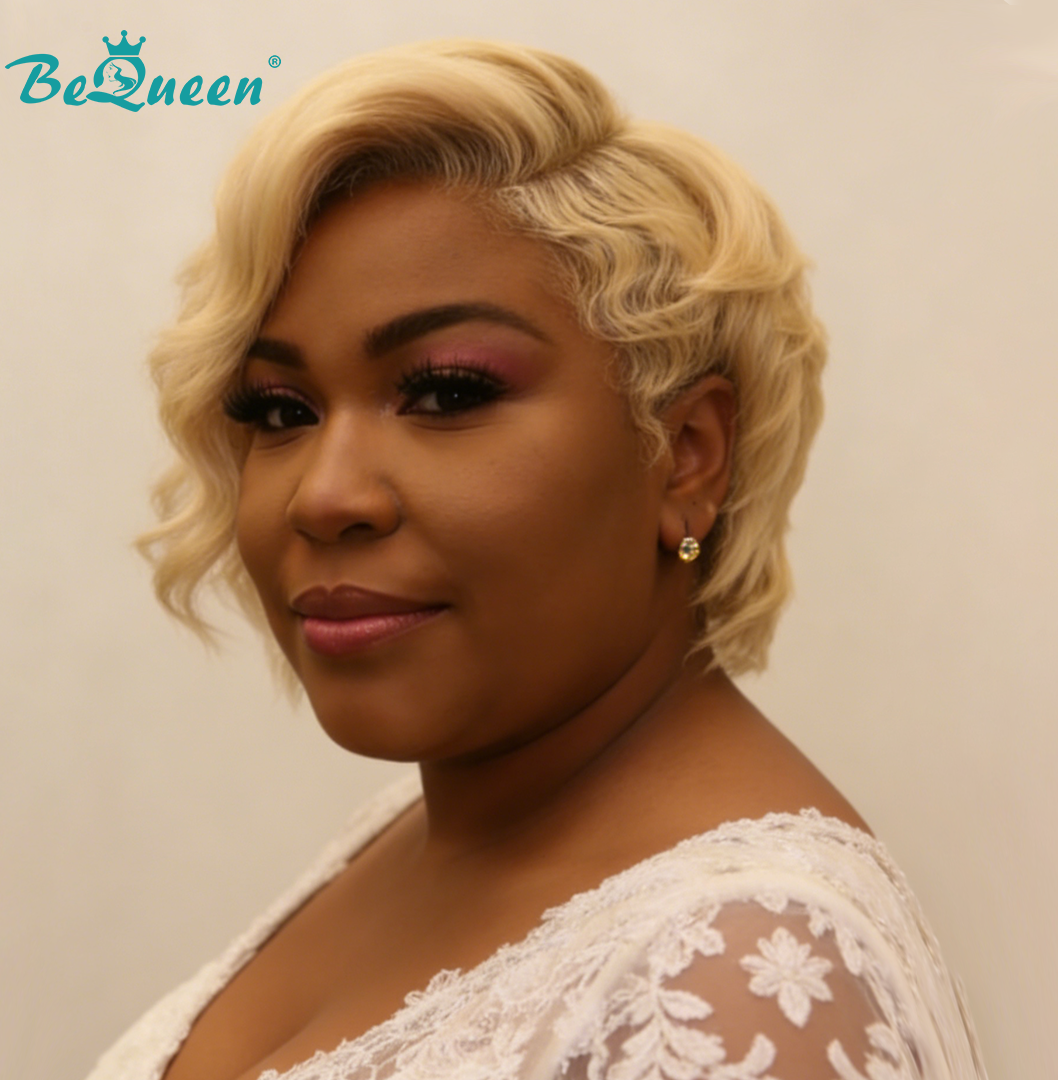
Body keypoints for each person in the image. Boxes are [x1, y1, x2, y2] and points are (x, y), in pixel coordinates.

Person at [86, 39, 987, 1080]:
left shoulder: (738, 987)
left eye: (447, 392)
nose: (324, 496)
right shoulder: (426, 826)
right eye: (279, 410)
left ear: (687, 455)